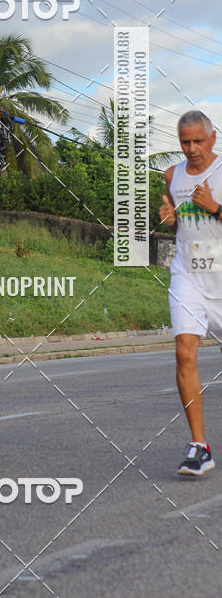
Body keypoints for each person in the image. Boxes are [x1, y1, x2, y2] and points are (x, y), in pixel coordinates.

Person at [159, 110, 222, 475]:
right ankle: (200, 447)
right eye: (185, 142)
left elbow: (210, 212)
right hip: (189, 278)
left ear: (213, 138)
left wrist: (213, 206)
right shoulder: (173, 175)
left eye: (199, 140)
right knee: (185, 352)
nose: (192, 148)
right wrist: (172, 217)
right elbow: (181, 221)